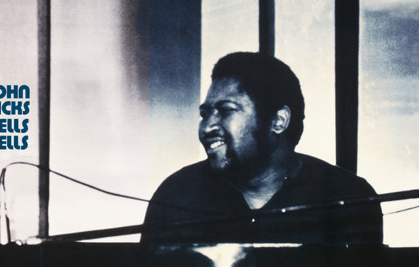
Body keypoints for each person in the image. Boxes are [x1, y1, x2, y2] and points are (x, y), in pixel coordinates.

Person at [142, 52, 383, 245]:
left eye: (226, 110)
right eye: (205, 114)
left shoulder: (348, 196)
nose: (207, 127)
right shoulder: (175, 195)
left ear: (278, 121)